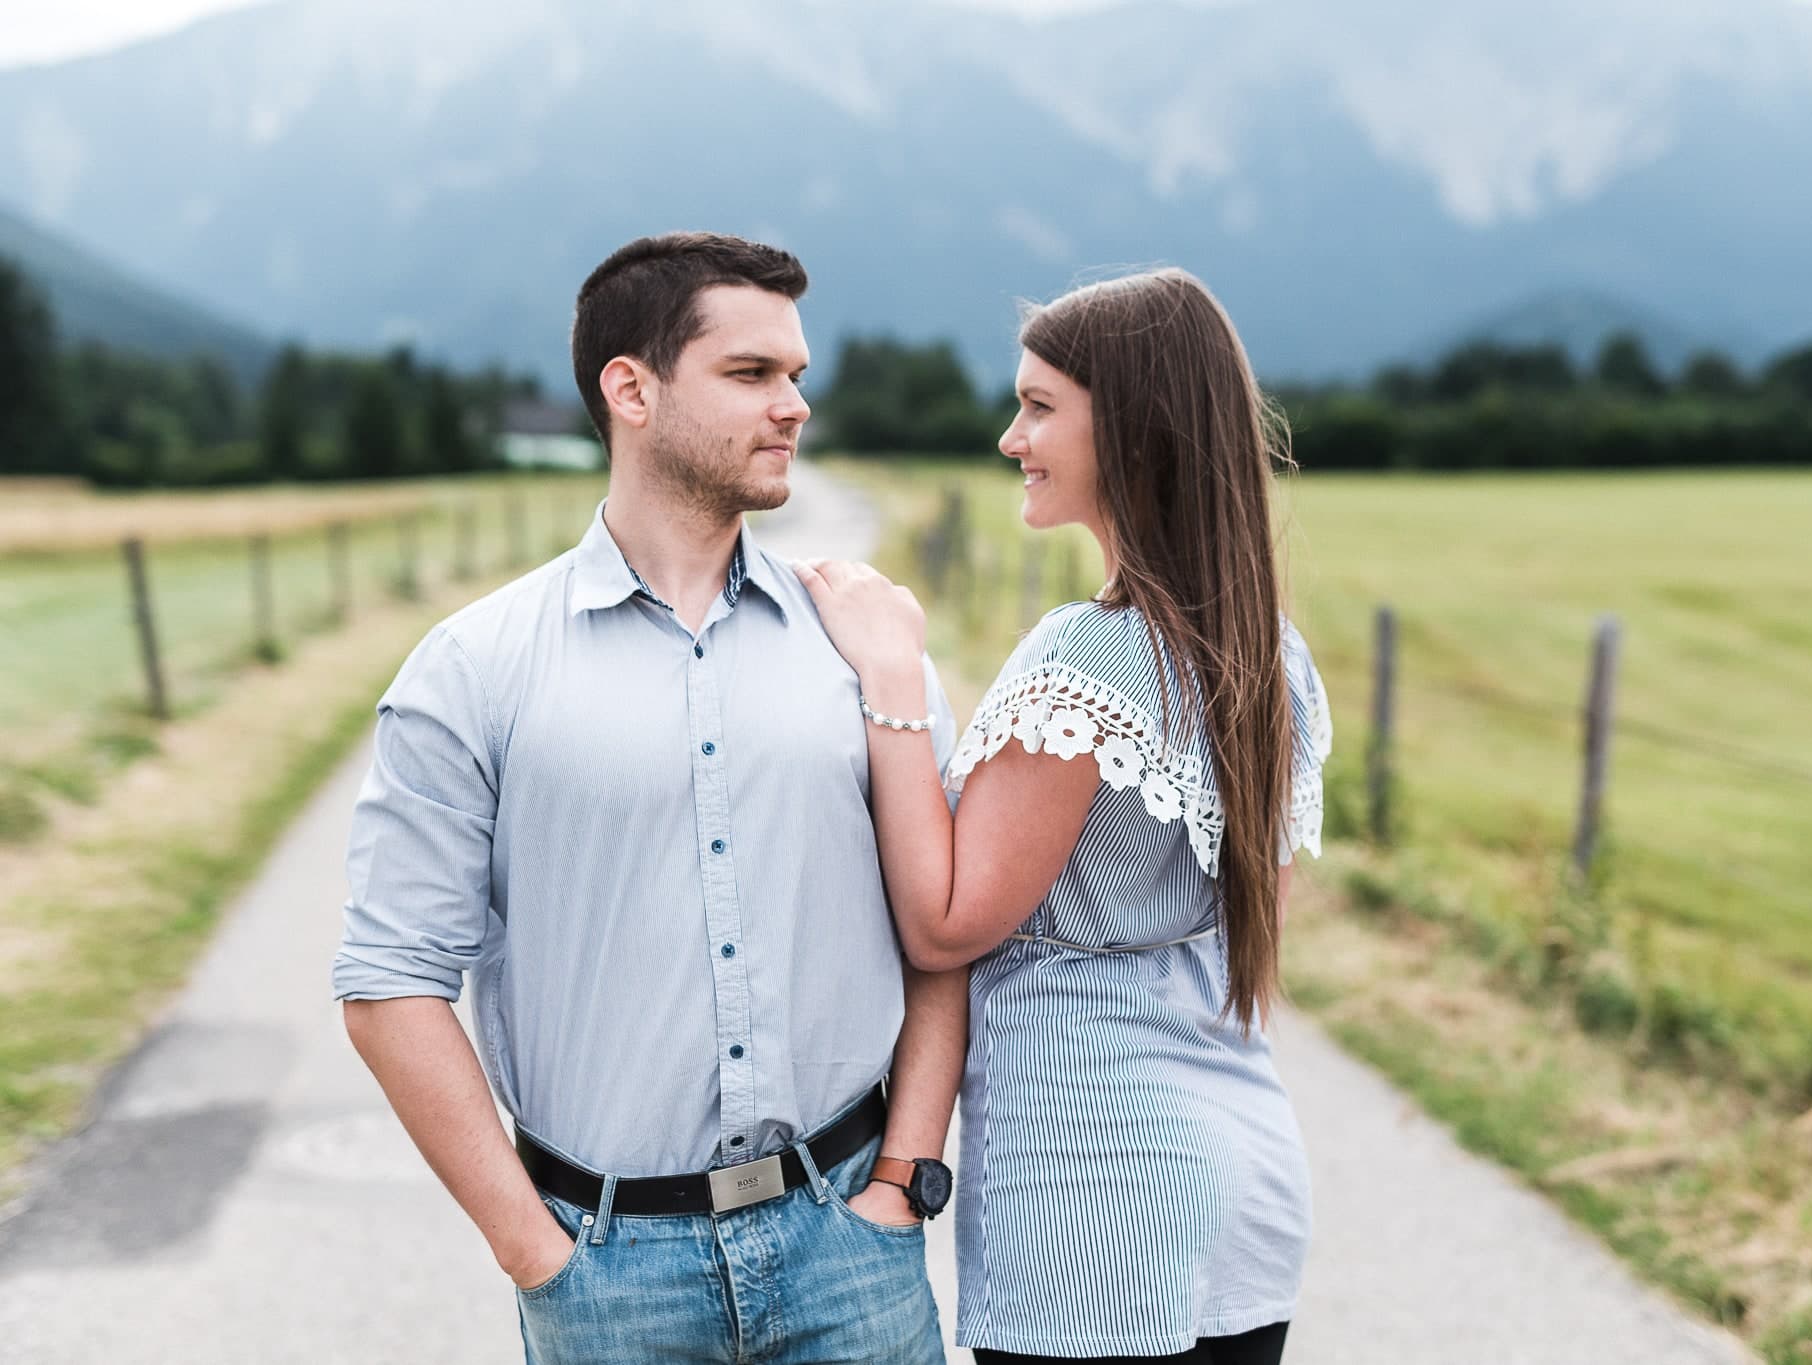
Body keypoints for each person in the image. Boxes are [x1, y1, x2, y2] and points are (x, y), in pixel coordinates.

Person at [332, 231, 964, 1364]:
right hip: (608, 1279)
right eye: (750, 374)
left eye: (796, 377)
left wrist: (901, 1188)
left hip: (848, 1247)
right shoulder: (472, 667)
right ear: (630, 388)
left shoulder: (862, 647)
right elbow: (388, 983)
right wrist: (538, 1254)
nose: (793, 408)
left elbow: (941, 933)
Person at [797, 267, 1331, 1364]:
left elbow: (946, 922)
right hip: (1247, 1177)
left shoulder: (1090, 656)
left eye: (1039, 406)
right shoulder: (1274, 658)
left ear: (1131, 429)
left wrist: (893, 677)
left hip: (1096, 1196)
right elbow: (1258, 923)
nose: (1010, 437)